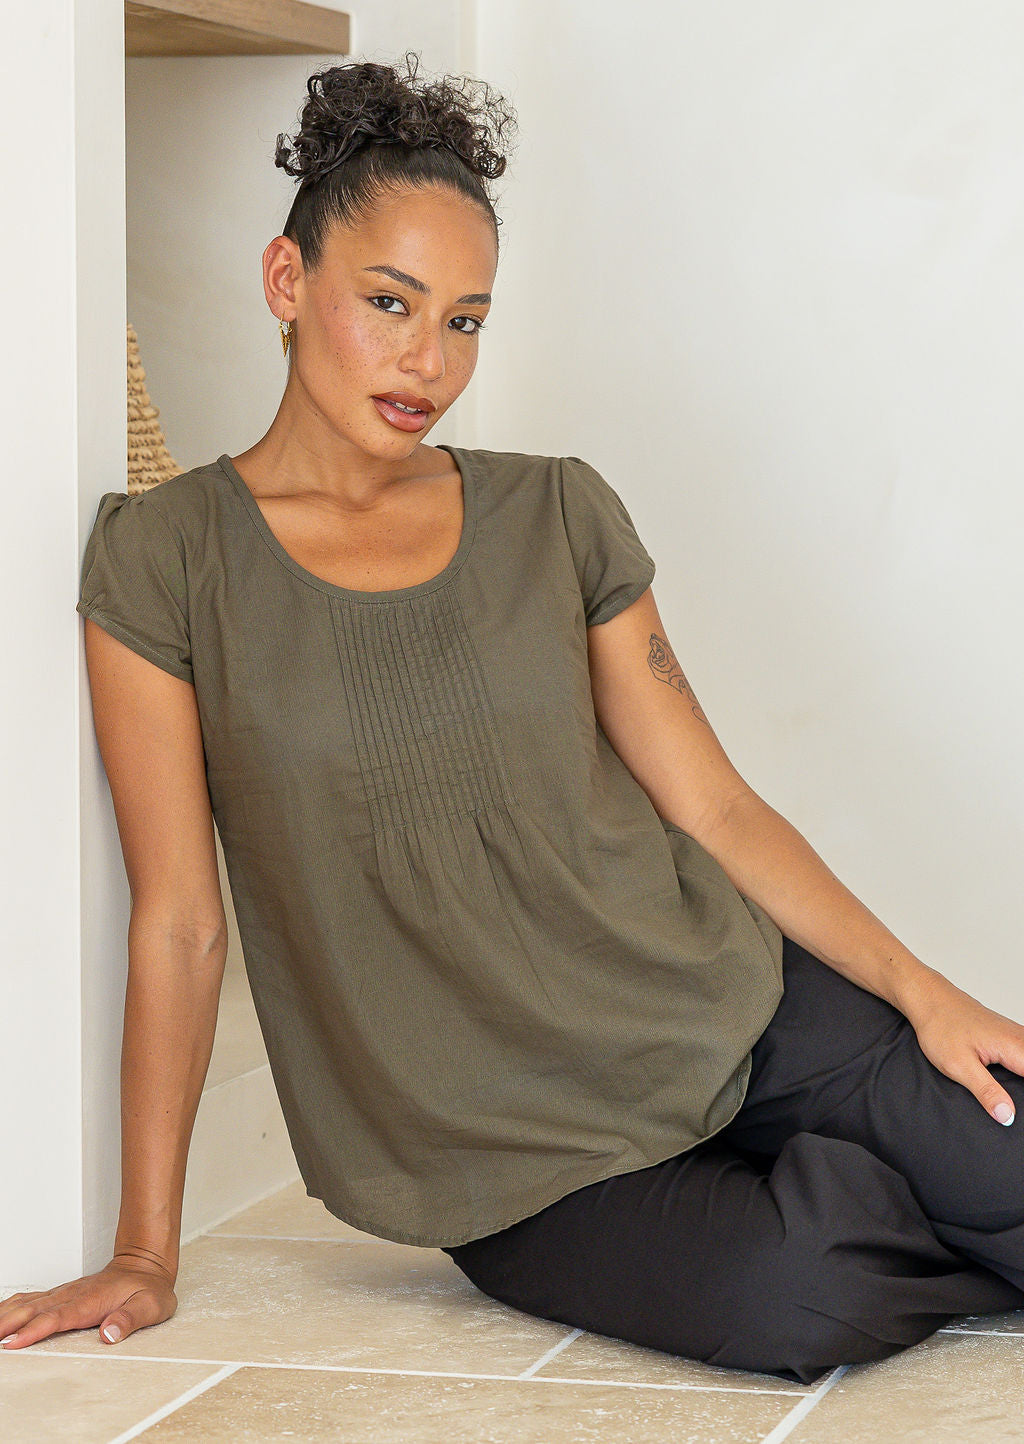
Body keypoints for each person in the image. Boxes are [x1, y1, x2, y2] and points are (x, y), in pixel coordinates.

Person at [3, 52, 1022, 1384]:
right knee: (800, 1305)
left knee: (1004, 1147)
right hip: (498, 1147)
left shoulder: (556, 512)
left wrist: (921, 991)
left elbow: (710, 803)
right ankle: (884, 1199)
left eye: (466, 321)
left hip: (731, 1008)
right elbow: (182, 918)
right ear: (286, 282)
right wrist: (145, 1248)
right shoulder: (164, 558)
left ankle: (893, 1166)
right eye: (390, 303)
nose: (429, 360)